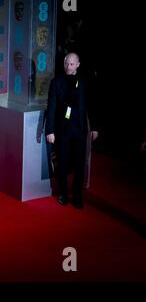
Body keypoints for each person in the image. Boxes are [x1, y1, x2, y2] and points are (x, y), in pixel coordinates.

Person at [45, 53, 99, 209]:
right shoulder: (57, 82)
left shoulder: (84, 82)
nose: (68, 67)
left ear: (78, 64)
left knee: (79, 164)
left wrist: (94, 127)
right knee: (62, 163)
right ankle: (63, 193)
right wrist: (50, 131)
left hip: (80, 129)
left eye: (72, 64)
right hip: (63, 130)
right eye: (66, 64)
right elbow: (52, 107)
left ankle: (77, 195)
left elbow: (92, 105)